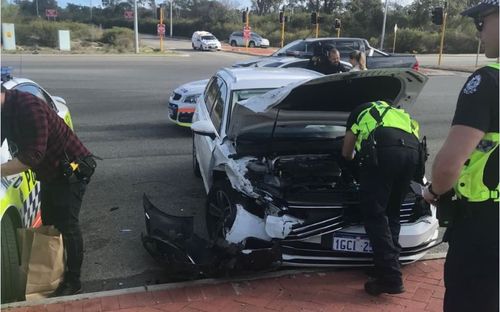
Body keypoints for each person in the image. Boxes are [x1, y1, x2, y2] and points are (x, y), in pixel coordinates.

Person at [422, 1, 499, 311]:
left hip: (483, 223)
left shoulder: (488, 81)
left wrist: (433, 192)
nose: (478, 32)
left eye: (482, 22)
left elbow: (448, 166)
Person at [1, 85, 96, 297]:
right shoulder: (4, 111)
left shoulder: (29, 107)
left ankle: (74, 280)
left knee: (67, 225)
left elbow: (34, 156)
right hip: (51, 174)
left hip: (72, 170)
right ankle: (55, 271)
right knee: (51, 223)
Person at [342, 100, 420, 296]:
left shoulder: (359, 110)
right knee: (392, 212)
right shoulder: (398, 114)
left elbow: (346, 152)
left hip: (385, 152)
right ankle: (387, 265)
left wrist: (357, 168)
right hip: (413, 154)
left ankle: (390, 277)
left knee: (375, 214)